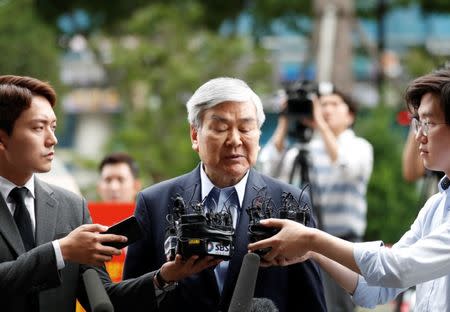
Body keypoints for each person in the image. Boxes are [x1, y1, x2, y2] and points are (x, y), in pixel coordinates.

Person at [0, 75, 218, 312]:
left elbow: (105, 298)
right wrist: (60, 251)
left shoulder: (71, 206)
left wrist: (164, 277)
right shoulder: (67, 241)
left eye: (53, 127)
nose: (52, 139)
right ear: (2, 137)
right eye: (38, 128)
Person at [248, 67, 450, 311]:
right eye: (418, 123)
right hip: (337, 247)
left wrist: (311, 238)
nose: (419, 136)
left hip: (345, 239)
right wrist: (312, 249)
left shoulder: (357, 147)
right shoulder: (435, 205)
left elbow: (396, 268)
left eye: (428, 123)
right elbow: (373, 289)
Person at [123, 77, 327, 312]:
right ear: (194, 136)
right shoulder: (155, 203)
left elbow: (310, 302)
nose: (235, 140)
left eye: (245, 128)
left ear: (259, 136)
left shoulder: (289, 203)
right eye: (220, 128)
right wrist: (163, 278)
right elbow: (130, 297)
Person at [258, 85, 373, 311]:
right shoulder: (305, 149)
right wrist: (284, 120)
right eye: (322, 105)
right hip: (303, 243)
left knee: (339, 306)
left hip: (343, 242)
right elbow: (268, 170)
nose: (326, 110)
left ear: (350, 115)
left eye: (333, 104)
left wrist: (320, 124)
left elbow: (346, 167)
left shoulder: (359, 147)